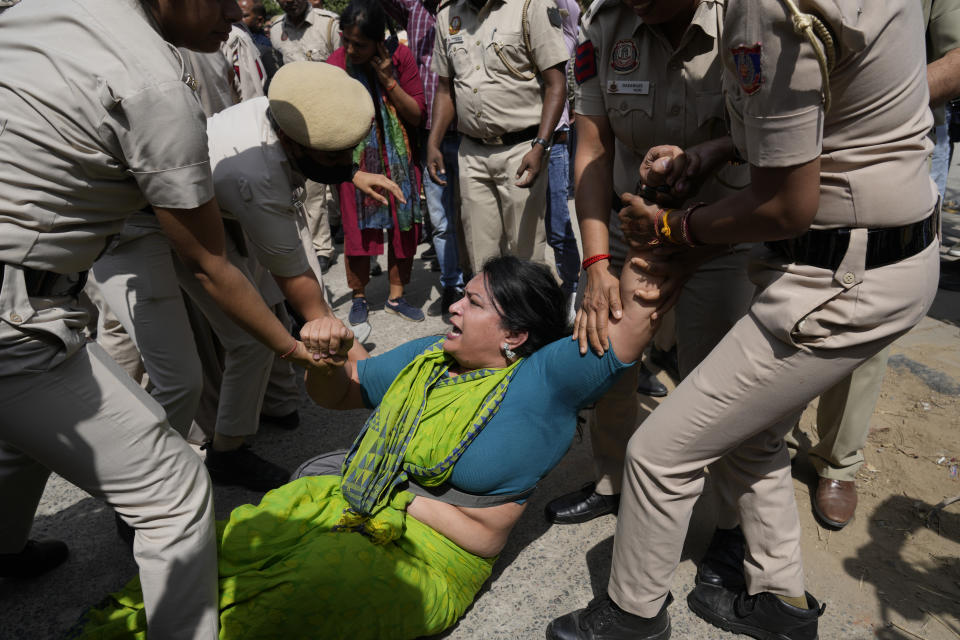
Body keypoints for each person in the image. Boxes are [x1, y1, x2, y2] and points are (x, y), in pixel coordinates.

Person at [547, 0, 940, 638]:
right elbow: (832, 104)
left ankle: (629, 617)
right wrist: (715, 150)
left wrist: (677, 226)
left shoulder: (763, 9)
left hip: (832, 273)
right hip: (864, 253)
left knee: (660, 450)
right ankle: (779, 604)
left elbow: (786, 204)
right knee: (754, 436)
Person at [72, 254, 666, 639]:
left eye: (474, 303)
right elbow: (343, 393)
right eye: (461, 294)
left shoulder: (544, 379)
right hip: (347, 497)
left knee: (296, 599)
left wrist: (638, 242)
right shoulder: (432, 356)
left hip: (428, 555)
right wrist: (326, 362)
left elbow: (634, 319)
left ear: (514, 334)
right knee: (229, 548)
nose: (452, 304)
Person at [0, 0, 342, 638]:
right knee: (177, 490)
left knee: (19, 437)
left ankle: (7, 549)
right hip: (19, 308)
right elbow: (213, 263)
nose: (235, 11)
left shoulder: (52, 10)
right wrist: (296, 350)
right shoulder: (156, 84)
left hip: (41, 282)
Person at [90, 62, 397, 491]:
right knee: (179, 379)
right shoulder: (256, 176)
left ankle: (228, 453)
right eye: (334, 156)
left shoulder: (277, 111)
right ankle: (140, 489)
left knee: (251, 343)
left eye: (351, 152)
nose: (345, 162)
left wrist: (347, 171)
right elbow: (308, 301)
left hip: (197, 215)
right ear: (291, 140)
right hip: (133, 228)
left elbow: (314, 148)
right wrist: (377, 387)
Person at [544, 0, 754, 526]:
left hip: (723, 232)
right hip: (630, 224)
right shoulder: (603, 23)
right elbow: (591, 146)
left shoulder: (747, 18)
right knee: (608, 356)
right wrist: (596, 263)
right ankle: (612, 480)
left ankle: (731, 521)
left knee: (721, 378)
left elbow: (778, 138)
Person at [785, 0, 960, 531]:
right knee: (770, 288)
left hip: (884, 150)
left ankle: (838, 461)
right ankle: (760, 437)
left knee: (862, 302)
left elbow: (956, 57)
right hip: (782, 139)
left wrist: (866, 101)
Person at [426, 0, 569, 275]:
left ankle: (529, 318)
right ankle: (491, 316)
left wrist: (540, 145)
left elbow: (556, 83)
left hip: (522, 151)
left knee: (525, 257)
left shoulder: (531, 6)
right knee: (481, 258)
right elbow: (445, 89)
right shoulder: (448, 15)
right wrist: (434, 142)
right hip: (471, 152)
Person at [328, 0, 428, 324]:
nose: (351, 49)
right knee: (357, 231)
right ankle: (359, 296)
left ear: (379, 40)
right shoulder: (336, 65)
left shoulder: (401, 58)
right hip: (356, 164)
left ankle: (396, 297)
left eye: (359, 44)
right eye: (346, 40)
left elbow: (416, 114)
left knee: (404, 227)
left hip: (400, 159)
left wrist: (389, 82)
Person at [378, 0, 467, 319]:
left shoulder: (467, 9)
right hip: (430, 138)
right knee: (441, 221)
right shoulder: (412, 9)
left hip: (471, 134)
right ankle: (452, 286)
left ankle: (477, 282)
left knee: (472, 216)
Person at [270, 0, 344, 276]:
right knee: (311, 189)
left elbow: (346, 71)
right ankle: (322, 248)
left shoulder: (329, 25)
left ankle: (349, 234)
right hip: (299, 124)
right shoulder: (277, 29)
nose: (288, 3)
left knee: (342, 184)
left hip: (336, 117)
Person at [545, 0, 582, 318]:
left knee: (558, 225)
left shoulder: (564, 31)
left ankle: (572, 285)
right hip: (521, 141)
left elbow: (566, 6)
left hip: (555, 143)